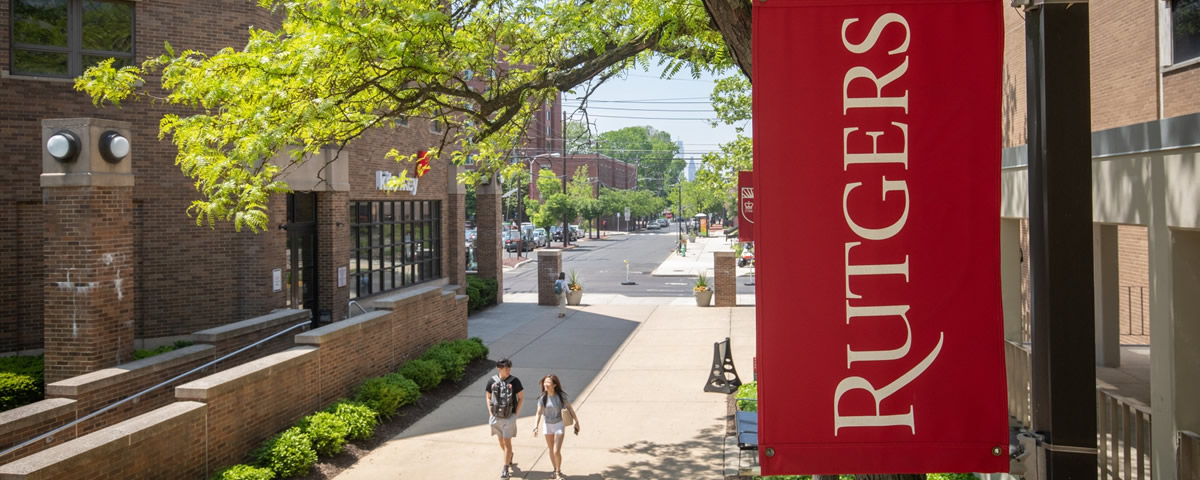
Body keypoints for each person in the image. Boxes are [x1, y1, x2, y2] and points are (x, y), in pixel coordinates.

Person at [531, 374, 581, 480]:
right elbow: (538, 413)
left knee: (556, 451)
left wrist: (576, 421)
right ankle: (555, 469)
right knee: (551, 449)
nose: (546, 384)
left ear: (554, 385)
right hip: (547, 425)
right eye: (545, 382)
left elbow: (570, 409)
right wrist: (535, 427)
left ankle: (558, 472)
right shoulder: (542, 398)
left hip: (559, 424)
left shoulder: (560, 397)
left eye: (548, 382)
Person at [485, 358, 524, 478]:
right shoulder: (492, 381)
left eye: (509, 368)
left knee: (507, 441)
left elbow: (521, 398)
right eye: (506, 368)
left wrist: (515, 414)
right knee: (500, 440)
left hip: (509, 417)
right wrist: (490, 413)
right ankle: (509, 455)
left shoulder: (515, 381)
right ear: (499, 368)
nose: (508, 370)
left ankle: (505, 468)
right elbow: (488, 397)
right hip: (496, 416)